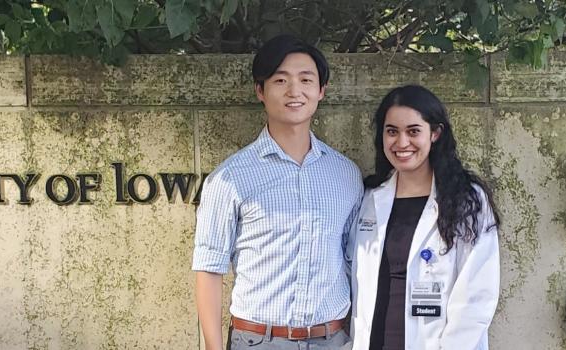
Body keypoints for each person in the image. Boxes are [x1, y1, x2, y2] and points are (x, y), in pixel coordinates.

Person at [192, 34, 363, 349]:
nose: (294, 91)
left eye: (306, 79)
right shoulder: (230, 178)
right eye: (280, 80)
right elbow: (209, 268)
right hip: (258, 339)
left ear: (321, 90)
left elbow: (355, 262)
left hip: (333, 339)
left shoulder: (346, 175)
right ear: (260, 91)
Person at [349, 85, 501, 350]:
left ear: (435, 134)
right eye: (392, 131)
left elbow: (477, 295)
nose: (402, 142)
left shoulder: (466, 200)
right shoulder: (371, 198)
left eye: (413, 131)